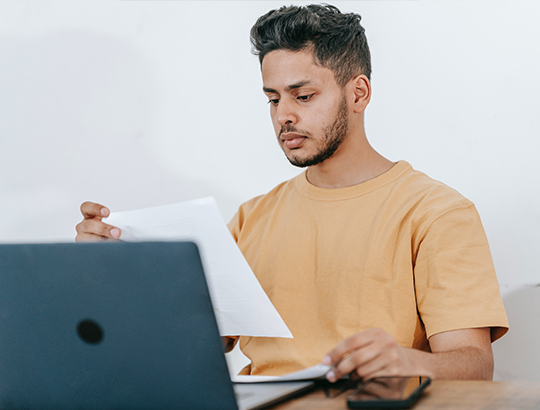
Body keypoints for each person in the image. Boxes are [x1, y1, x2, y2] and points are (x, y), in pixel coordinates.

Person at [76, 4, 508, 381]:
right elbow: (186, 344)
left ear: (359, 93)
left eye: (303, 96)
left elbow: (473, 365)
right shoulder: (252, 218)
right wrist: (113, 274)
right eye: (273, 99)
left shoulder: (436, 212)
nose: (284, 116)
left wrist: (409, 362)